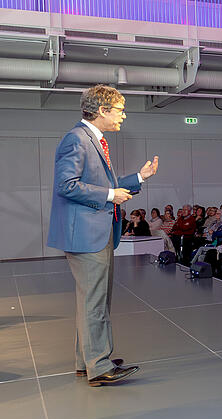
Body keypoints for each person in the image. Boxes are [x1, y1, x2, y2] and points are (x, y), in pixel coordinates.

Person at [47, 85, 158, 386]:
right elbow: (66, 186)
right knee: (95, 302)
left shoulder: (93, 140)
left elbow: (102, 184)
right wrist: (110, 194)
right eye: (119, 109)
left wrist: (138, 178)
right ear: (102, 111)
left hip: (93, 232)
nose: (123, 115)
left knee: (92, 302)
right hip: (86, 234)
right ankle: (99, 366)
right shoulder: (77, 140)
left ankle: (88, 360)